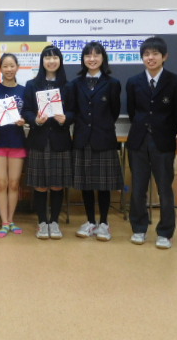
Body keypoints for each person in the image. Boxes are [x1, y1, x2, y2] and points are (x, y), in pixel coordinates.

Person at [126, 37, 177, 249]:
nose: (150, 58)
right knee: (138, 188)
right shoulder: (133, 82)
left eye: (155, 54)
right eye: (146, 54)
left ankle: (165, 232)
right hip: (138, 141)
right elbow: (133, 112)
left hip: (163, 142)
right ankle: (139, 228)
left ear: (164, 56)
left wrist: (164, 131)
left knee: (164, 189)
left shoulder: (176, 82)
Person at [65, 42, 123, 242]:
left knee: (104, 184)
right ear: (83, 59)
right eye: (88, 55)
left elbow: (114, 111)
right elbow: (72, 110)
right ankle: (90, 221)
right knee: (86, 183)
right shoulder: (74, 84)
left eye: (96, 55)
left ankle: (104, 223)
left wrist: (101, 126)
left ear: (103, 58)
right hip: (82, 139)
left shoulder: (113, 83)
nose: (92, 59)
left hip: (104, 138)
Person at [22, 45, 72, 240]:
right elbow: (26, 110)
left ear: (60, 61)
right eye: (47, 58)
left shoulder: (69, 85)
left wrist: (66, 118)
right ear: (42, 61)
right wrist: (35, 119)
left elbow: (75, 111)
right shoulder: (32, 84)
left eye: (55, 58)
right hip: (39, 139)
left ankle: (55, 222)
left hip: (60, 139)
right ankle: (42, 222)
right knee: (40, 185)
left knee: (58, 184)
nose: (51, 61)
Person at [0, 53, 27, 238]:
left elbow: (29, 115)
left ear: (17, 67)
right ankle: (4, 222)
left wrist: (24, 120)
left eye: (12, 66)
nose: (9, 69)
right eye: (5, 66)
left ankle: (11, 220)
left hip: (17, 141)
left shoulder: (25, 91)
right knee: (1, 184)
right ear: (0, 68)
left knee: (14, 184)